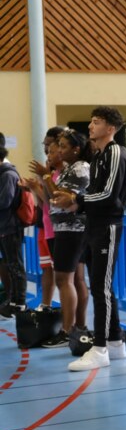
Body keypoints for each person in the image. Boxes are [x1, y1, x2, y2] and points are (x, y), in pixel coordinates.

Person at [52, 106, 126, 371]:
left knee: (101, 287)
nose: (90, 126)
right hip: (96, 225)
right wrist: (75, 203)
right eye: (91, 122)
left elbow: (109, 196)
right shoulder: (99, 155)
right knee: (101, 286)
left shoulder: (115, 152)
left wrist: (76, 199)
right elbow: (94, 196)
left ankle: (99, 348)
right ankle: (115, 342)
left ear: (111, 128)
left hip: (108, 225)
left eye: (96, 122)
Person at [37, 129, 91, 348]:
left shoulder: (80, 168)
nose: (58, 151)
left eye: (63, 147)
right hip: (63, 229)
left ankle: (68, 330)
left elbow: (59, 198)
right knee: (69, 279)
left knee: (64, 279)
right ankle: (73, 327)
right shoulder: (70, 168)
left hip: (73, 229)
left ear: (76, 149)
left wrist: (47, 176)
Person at [27, 126, 64, 310]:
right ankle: (45, 304)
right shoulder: (47, 168)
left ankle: (69, 320)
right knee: (46, 268)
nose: (47, 151)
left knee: (64, 276)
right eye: (46, 147)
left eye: (51, 147)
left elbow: (54, 200)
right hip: (45, 225)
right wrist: (34, 187)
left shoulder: (61, 172)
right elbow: (44, 205)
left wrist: (37, 187)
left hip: (59, 228)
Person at [0, 132, 28, 318]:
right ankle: (11, 299)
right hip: (3, 227)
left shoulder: (8, 175)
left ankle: (19, 302)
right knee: (9, 264)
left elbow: (4, 201)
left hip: (10, 227)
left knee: (15, 265)